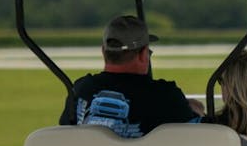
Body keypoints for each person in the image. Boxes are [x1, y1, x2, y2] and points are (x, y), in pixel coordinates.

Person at [60, 15, 203, 137]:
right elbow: (198, 134)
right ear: (143, 54)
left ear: (103, 51)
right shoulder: (164, 95)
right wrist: (195, 110)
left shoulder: (80, 90)